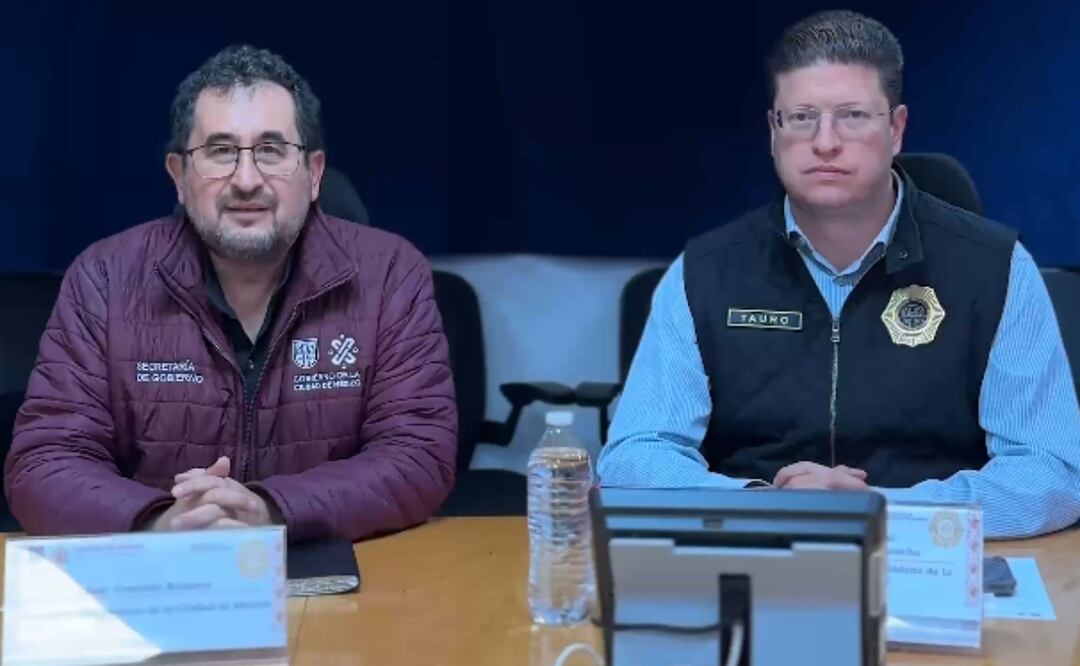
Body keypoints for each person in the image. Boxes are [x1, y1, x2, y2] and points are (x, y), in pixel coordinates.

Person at [597, 10, 1080, 538]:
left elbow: (1052, 474)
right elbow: (633, 456)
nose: (825, 142)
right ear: (774, 132)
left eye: (851, 116)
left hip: (932, 559)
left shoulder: (997, 269)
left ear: (895, 130)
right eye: (801, 117)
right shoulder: (703, 273)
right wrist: (762, 505)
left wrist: (880, 511)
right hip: (754, 552)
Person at [4, 45, 457, 542]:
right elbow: (44, 463)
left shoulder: (390, 273)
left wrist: (268, 510)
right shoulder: (104, 278)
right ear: (179, 176)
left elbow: (419, 454)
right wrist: (162, 521)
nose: (246, 180)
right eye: (220, 151)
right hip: (161, 578)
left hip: (335, 575)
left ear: (315, 174)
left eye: (271, 150)